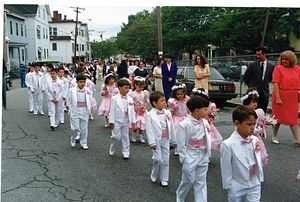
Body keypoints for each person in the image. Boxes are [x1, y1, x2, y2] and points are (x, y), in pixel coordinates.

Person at [220, 106, 263, 202]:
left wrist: (258, 178)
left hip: (254, 181)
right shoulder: (228, 144)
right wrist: (229, 185)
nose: (253, 127)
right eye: (249, 124)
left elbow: (257, 160)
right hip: (237, 184)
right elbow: (225, 166)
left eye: (254, 124)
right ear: (237, 123)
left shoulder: (254, 140)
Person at [176, 95, 211, 202]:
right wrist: (184, 158)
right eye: (205, 110)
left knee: (201, 180)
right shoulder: (184, 125)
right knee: (188, 180)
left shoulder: (204, 122)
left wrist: (207, 153)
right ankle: (180, 195)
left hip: (203, 153)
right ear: (196, 111)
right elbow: (181, 143)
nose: (207, 112)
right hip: (190, 154)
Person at [145, 91, 176, 187]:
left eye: (164, 100)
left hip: (165, 139)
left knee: (166, 159)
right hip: (156, 140)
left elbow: (171, 126)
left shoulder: (167, 113)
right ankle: (154, 172)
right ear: (154, 103)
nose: (164, 102)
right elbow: (149, 130)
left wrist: (174, 140)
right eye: (161, 101)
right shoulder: (149, 115)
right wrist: (152, 143)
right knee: (158, 159)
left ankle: (164, 178)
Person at [271, 50, 300, 146]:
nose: (284, 61)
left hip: (293, 97)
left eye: (286, 59)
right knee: (278, 117)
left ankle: (297, 139)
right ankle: (274, 136)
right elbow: (275, 83)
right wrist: (278, 98)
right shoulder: (278, 68)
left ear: (291, 60)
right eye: (282, 59)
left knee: (293, 118)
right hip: (281, 95)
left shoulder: (297, 69)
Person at [108, 78, 136, 159]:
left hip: (126, 120)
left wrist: (133, 122)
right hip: (117, 120)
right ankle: (112, 147)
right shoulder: (114, 98)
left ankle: (126, 152)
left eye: (128, 88)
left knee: (125, 136)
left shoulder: (130, 99)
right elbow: (112, 110)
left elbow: (132, 111)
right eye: (125, 88)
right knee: (116, 136)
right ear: (119, 88)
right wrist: (111, 121)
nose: (127, 90)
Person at [241, 88, 268, 166]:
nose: (255, 104)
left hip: (255, 137)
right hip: (245, 135)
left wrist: (261, 127)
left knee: (256, 151)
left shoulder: (258, 112)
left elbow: (259, 123)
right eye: (253, 102)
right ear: (247, 102)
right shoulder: (243, 113)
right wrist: (256, 130)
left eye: (256, 102)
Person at [244, 47, 275, 113]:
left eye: (259, 54)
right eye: (257, 55)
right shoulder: (253, 65)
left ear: (264, 54)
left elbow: (269, 78)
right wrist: (251, 86)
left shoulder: (271, 66)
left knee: (263, 112)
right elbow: (246, 77)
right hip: (254, 93)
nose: (258, 56)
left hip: (264, 93)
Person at [67, 74, 92, 150]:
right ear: (77, 82)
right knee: (75, 128)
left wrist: (89, 110)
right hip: (75, 110)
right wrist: (70, 109)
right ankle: (73, 138)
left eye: (84, 82)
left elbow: (89, 100)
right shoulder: (72, 90)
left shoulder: (88, 90)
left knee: (84, 128)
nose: (83, 84)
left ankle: (84, 142)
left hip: (84, 110)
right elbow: (69, 100)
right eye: (81, 82)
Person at [167, 82, 190, 155]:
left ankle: (185, 147)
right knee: (177, 135)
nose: (180, 96)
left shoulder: (187, 100)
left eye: (181, 94)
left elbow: (188, 110)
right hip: (176, 119)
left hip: (185, 118)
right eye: (178, 94)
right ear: (174, 94)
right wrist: (169, 120)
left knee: (186, 134)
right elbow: (171, 112)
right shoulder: (173, 102)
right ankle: (177, 148)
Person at [129, 76, 149, 143]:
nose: (141, 88)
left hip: (142, 111)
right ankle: (134, 136)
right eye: (139, 87)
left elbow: (146, 101)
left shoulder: (144, 93)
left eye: (142, 87)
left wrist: (144, 108)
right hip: (136, 111)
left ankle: (140, 136)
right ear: (135, 85)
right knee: (136, 124)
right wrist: (137, 111)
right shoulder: (133, 94)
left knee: (142, 124)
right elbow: (132, 104)